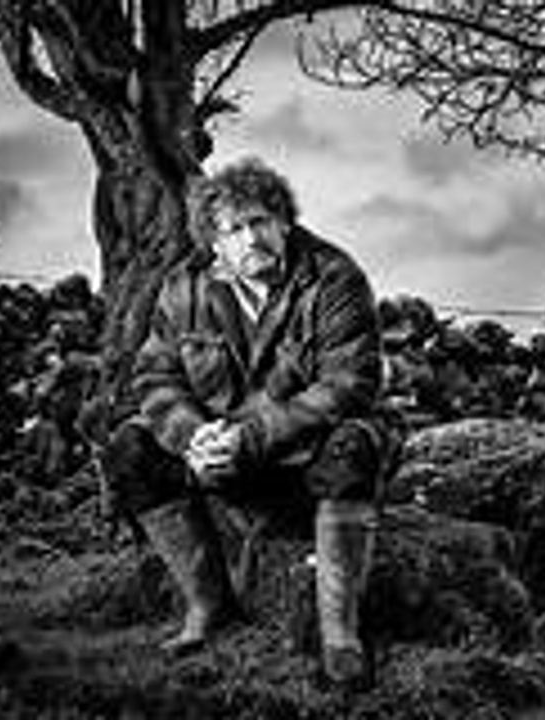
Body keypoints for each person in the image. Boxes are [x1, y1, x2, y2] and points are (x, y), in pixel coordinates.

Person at [109, 156, 389, 688]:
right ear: (214, 243)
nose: (251, 238)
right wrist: (193, 436)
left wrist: (251, 436)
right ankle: (206, 605)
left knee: (356, 442)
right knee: (129, 447)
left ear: (284, 222)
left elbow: (349, 383)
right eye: (234, 229)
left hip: (301, 456)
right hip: (217, 452)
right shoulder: (184, 288)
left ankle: (339, 633)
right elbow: (155, 377)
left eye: (261, 221)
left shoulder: (334, 278)